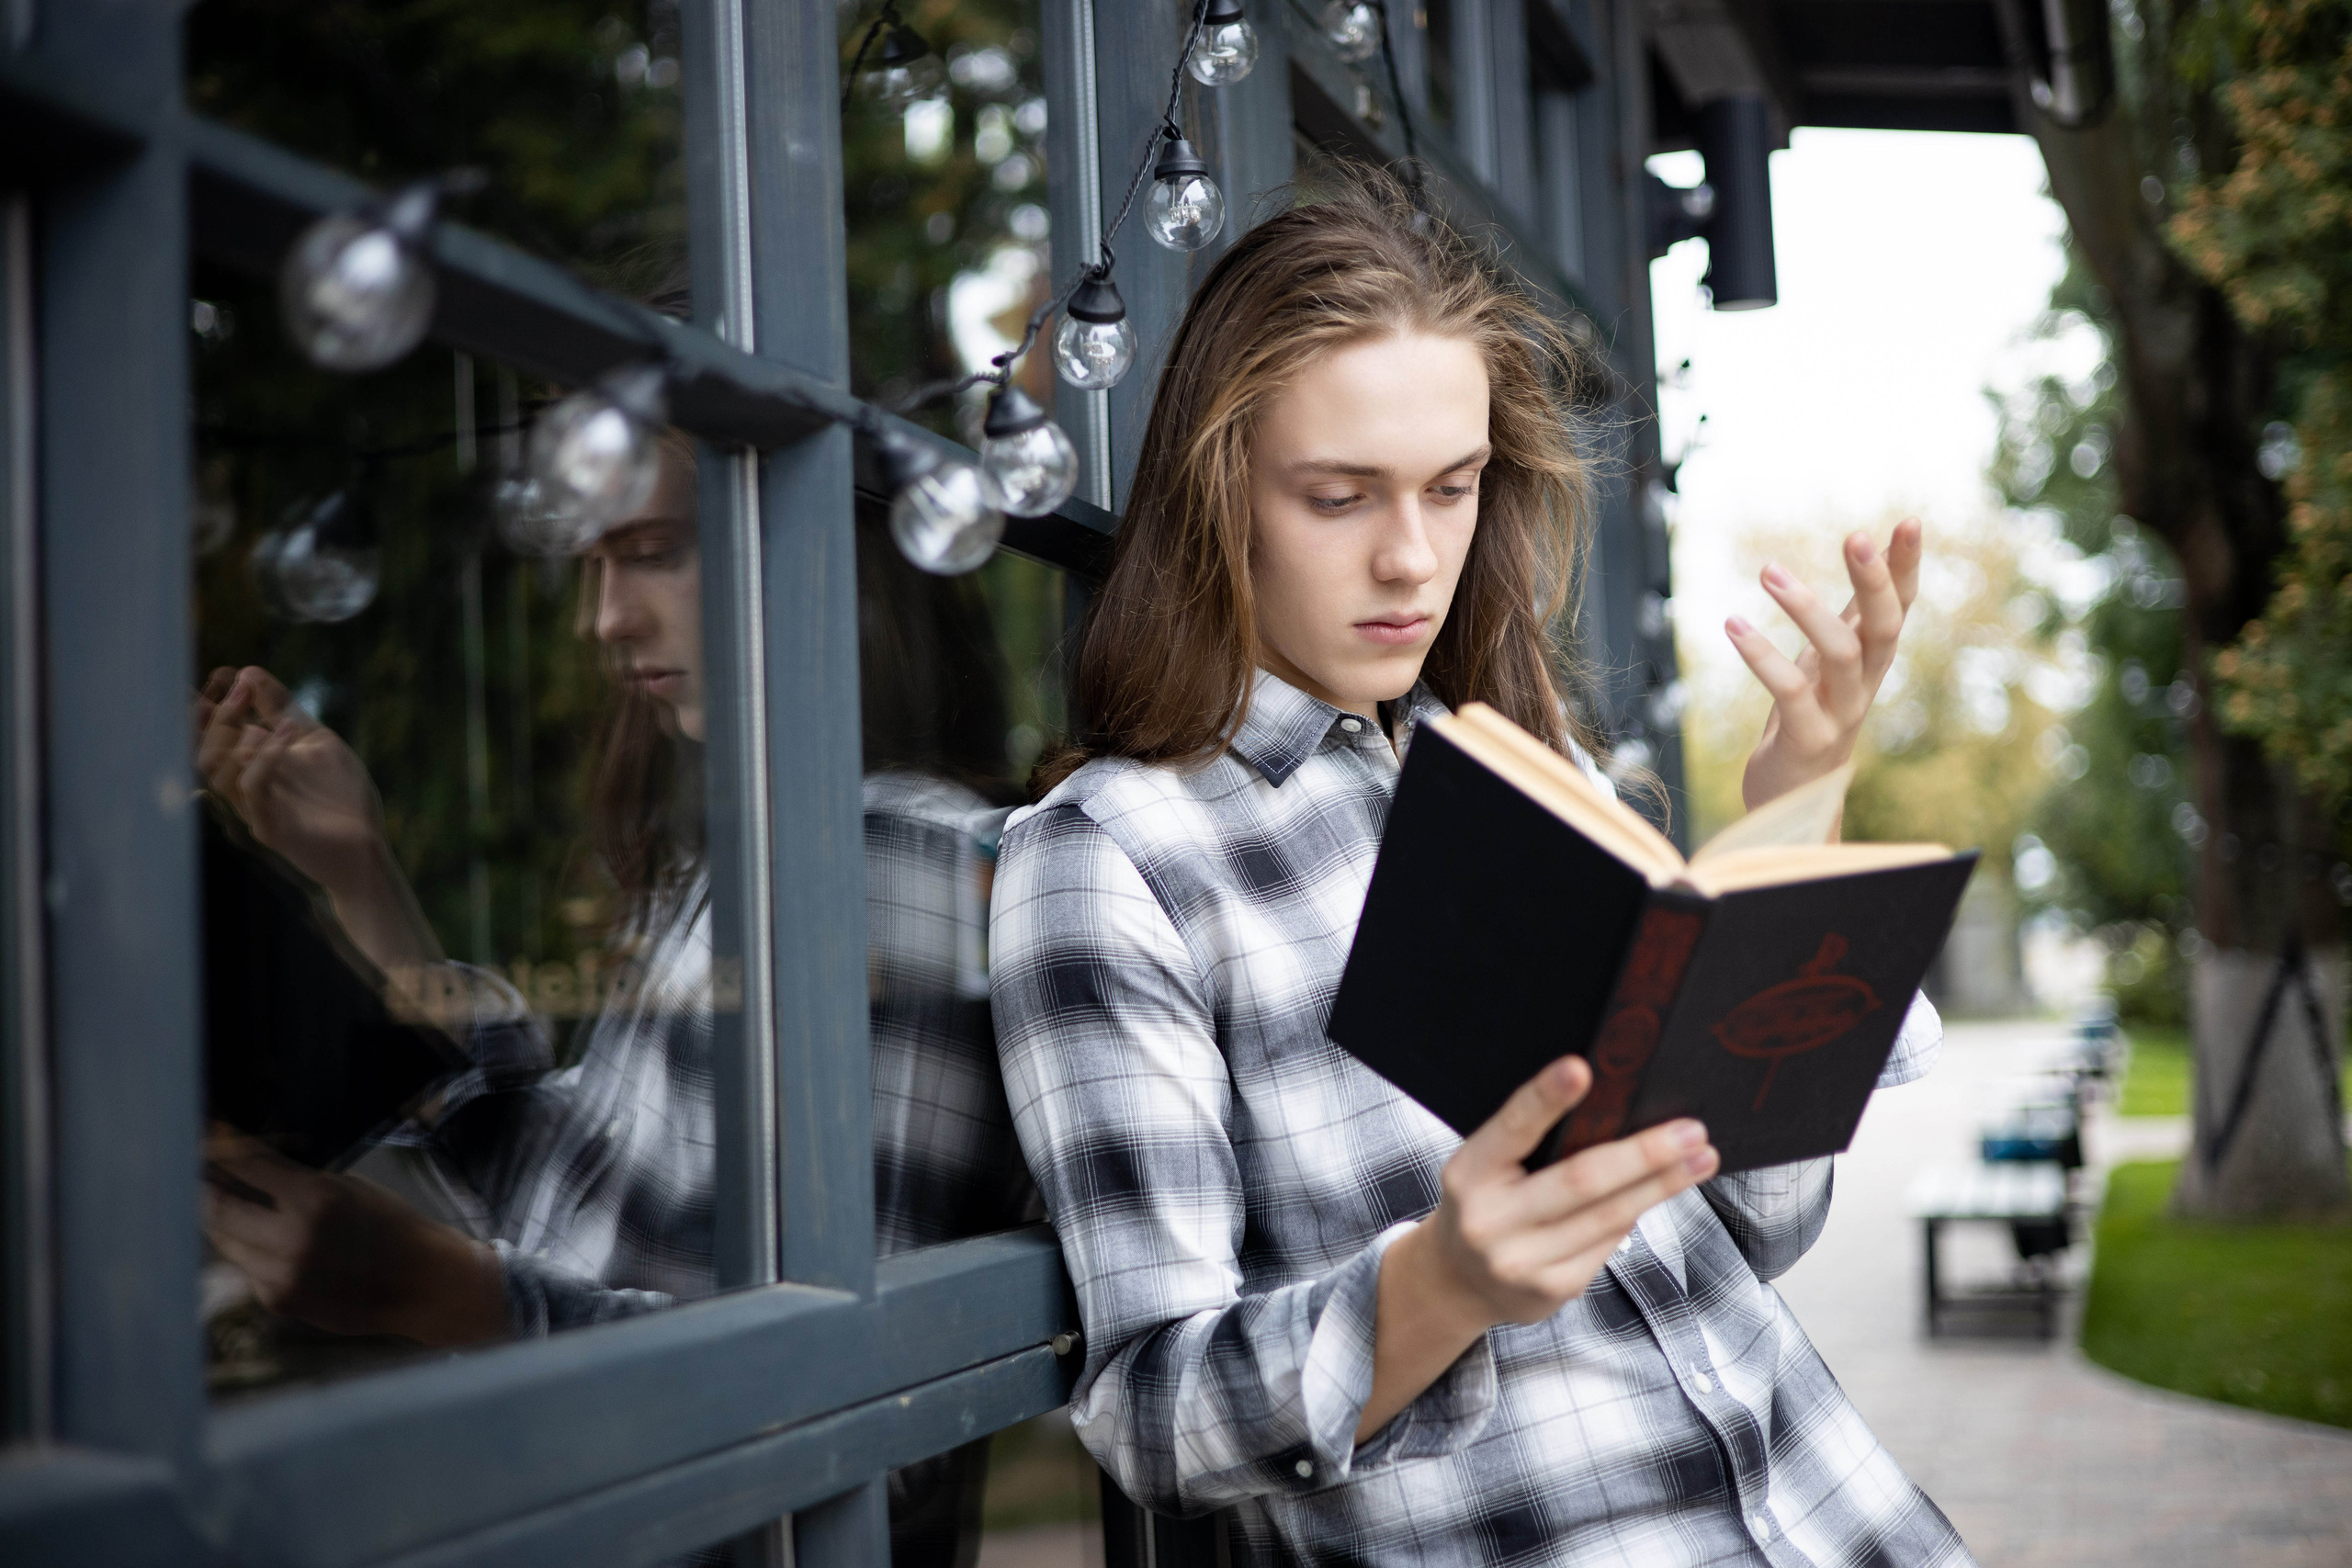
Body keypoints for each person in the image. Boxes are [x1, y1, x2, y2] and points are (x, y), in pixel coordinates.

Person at [988, 174, 1972, 1565]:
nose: (1410, 557)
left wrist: (1793, 822)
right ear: (1220, 497)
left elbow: (1755, 1229)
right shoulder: (1117, 861)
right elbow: (1151, 1416)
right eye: (1339, 496)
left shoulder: (1533, 771)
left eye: (1453, 488)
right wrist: (1439, 1284)